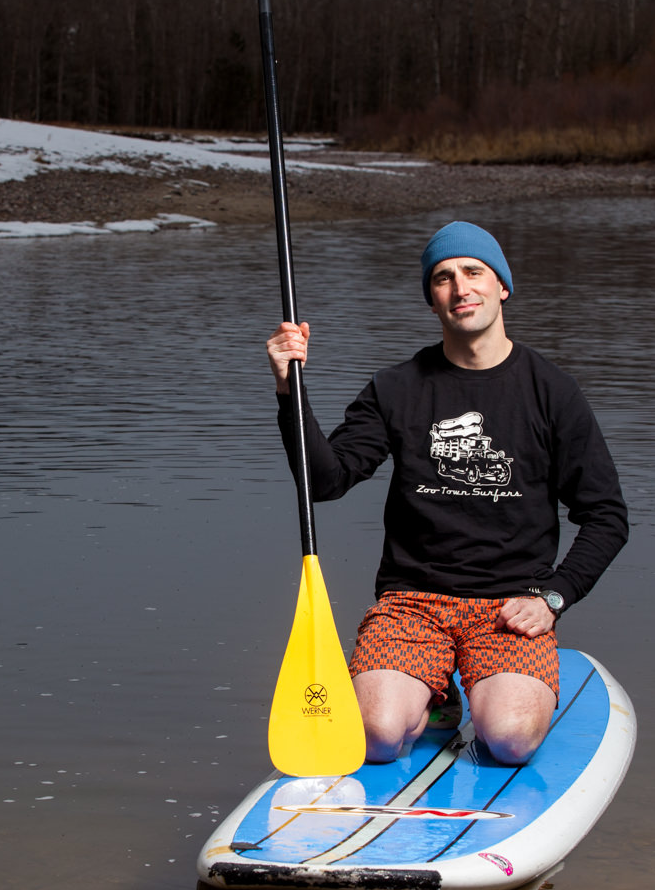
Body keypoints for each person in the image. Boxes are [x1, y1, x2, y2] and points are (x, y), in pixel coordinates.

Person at [267, 220, 628, 767]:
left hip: (511, 605)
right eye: (443, 278)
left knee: (509, 740)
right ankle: (435, 696)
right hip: (412, 603)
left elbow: (605, 516)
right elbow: (325, 481)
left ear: (502, 286)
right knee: (376, 735)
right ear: (432, 299)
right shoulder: (396, 388)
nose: (461, 288)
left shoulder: (552, 391)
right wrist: (289, 388)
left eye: (473, 272)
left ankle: (485, 693)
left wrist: (554, 597)